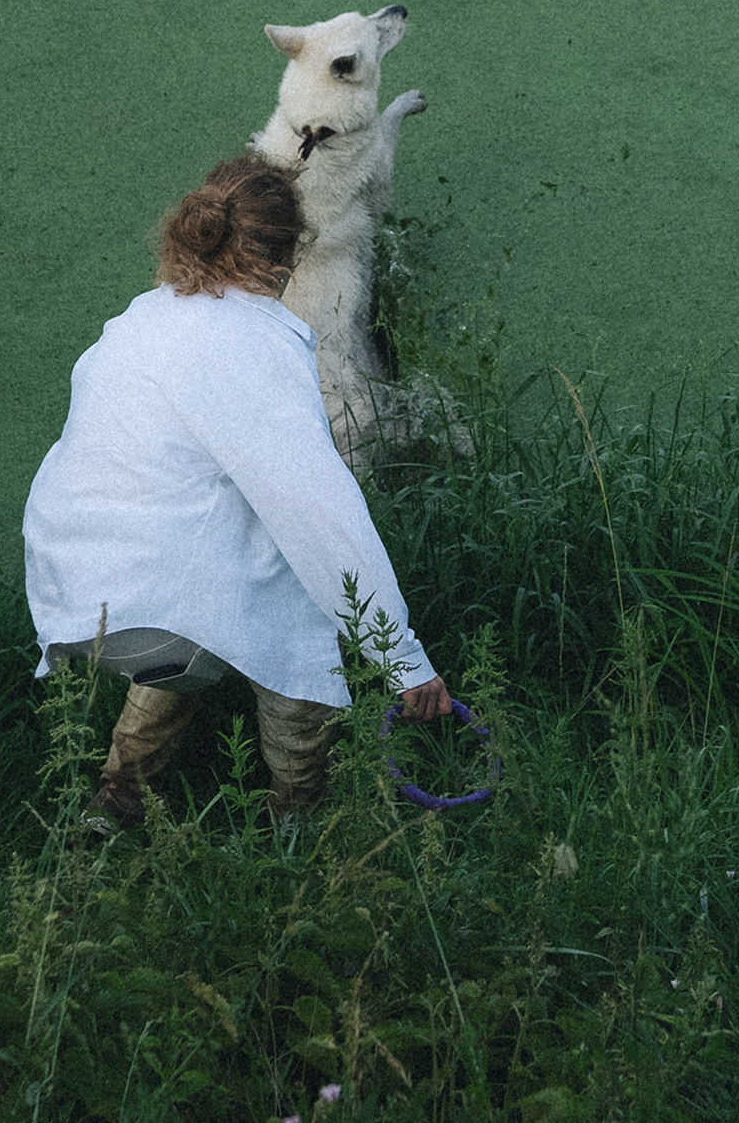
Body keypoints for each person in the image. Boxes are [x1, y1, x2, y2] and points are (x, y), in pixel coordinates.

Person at [23, 152, 450, 830]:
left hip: (88, 594)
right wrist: (404, 660)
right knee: (296, 585)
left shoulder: (138, 320)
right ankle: (296, 819)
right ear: (286, 260)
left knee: (204, 590)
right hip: (162, 605)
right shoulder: (256, 343)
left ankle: (116, 798)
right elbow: (317, 510)